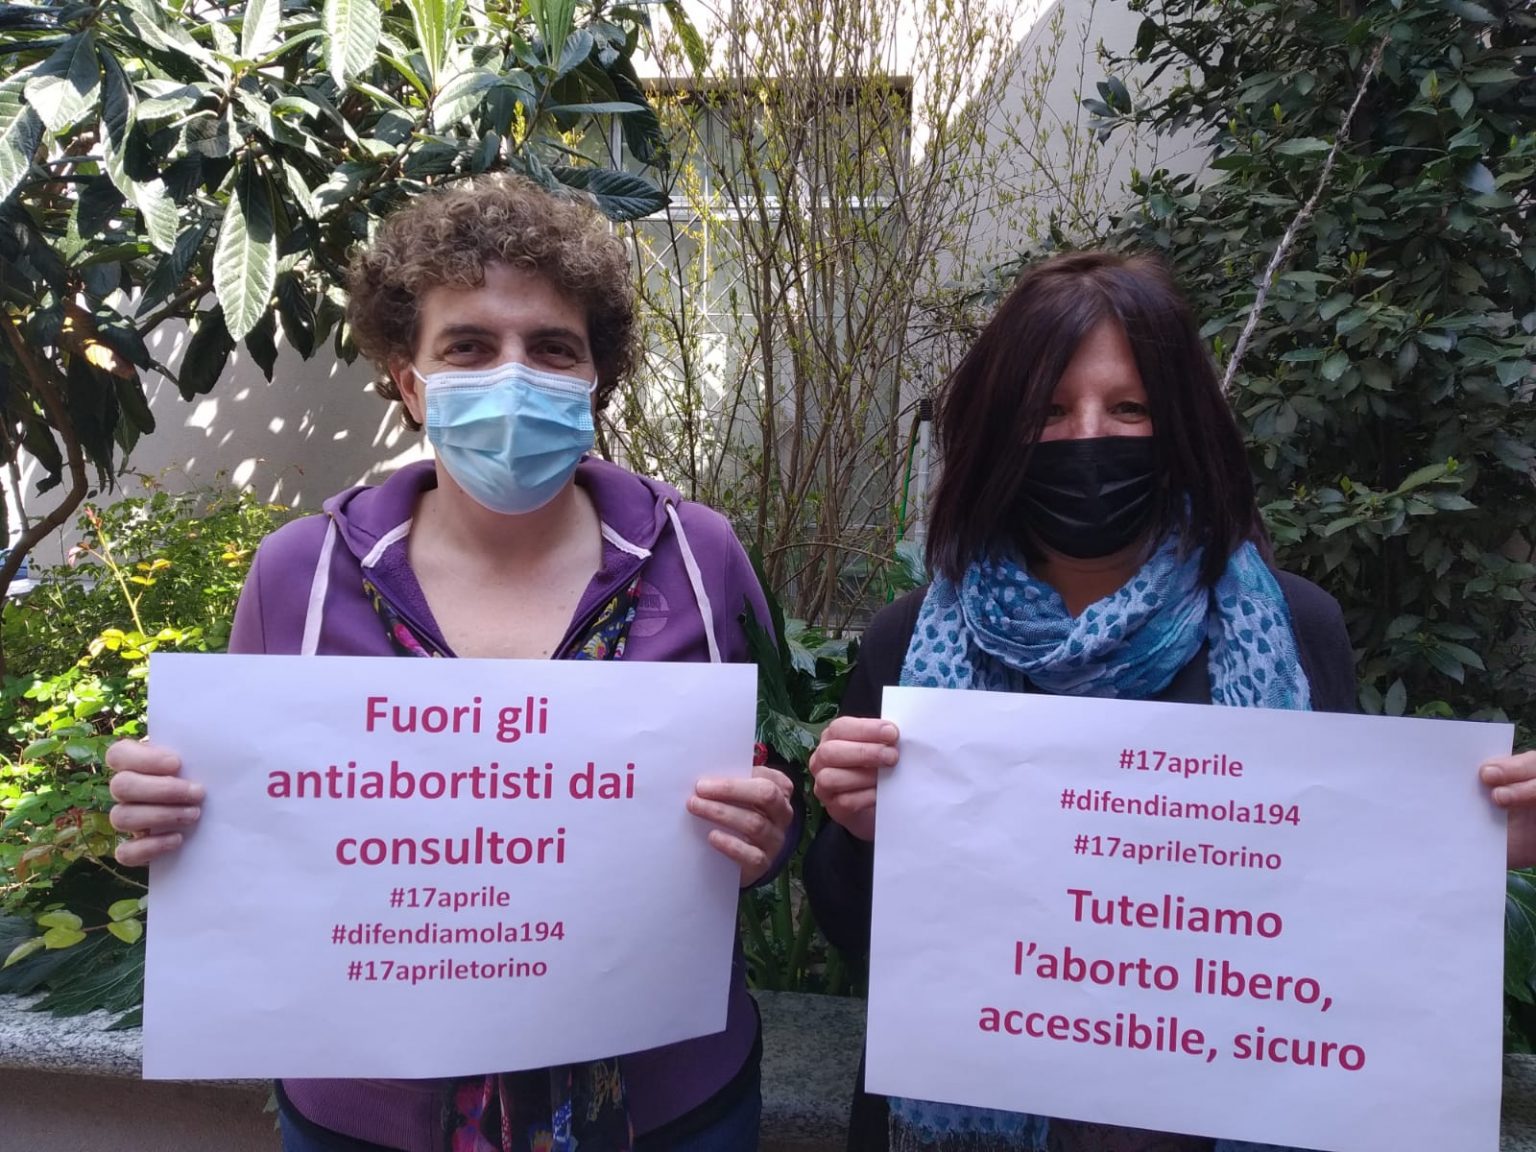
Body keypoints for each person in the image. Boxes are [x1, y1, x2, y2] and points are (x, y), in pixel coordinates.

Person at [105, 173, 797, 1152]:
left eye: (552, 347)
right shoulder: (300, 576)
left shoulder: (700, 554)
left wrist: (768, 834)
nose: (514, 374)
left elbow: (773, 785)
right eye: (468, 346)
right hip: (368, 1117)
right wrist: (168, 816)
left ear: (595, 376)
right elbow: (249, 825)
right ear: (408, 378)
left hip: (668, 1106)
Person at [802, 250, 1536, 1152]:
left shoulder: (1297, 628)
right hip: (977, 1102)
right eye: (1048, 410)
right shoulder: (906, 641)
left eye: (1129, 407)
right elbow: (856, 935)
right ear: (997, 429)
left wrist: (1464, 850)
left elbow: (1337, 904)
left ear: (1182, 422)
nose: (1087, 437)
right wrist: (863, 835)